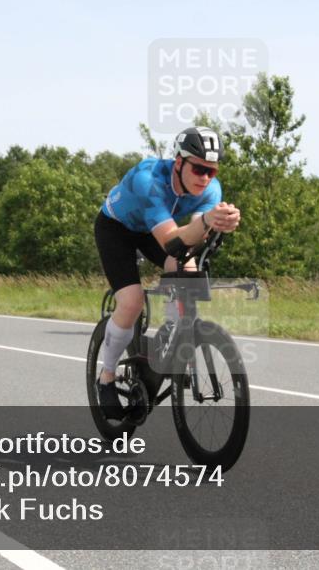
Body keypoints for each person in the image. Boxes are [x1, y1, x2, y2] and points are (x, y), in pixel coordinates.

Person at [94, 126, 241, 419]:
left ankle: (172, 340)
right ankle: (106, 377)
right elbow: (172, 242)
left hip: (157, 228)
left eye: (211, 172)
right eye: (199, 169)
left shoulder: (211, 189)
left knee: (188, 271)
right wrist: (206, 222)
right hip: (117, 230)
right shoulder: (147, 180)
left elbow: (193, 241)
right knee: (132, 302)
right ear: (179, 162)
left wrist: (218, 223)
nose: (205, 178)